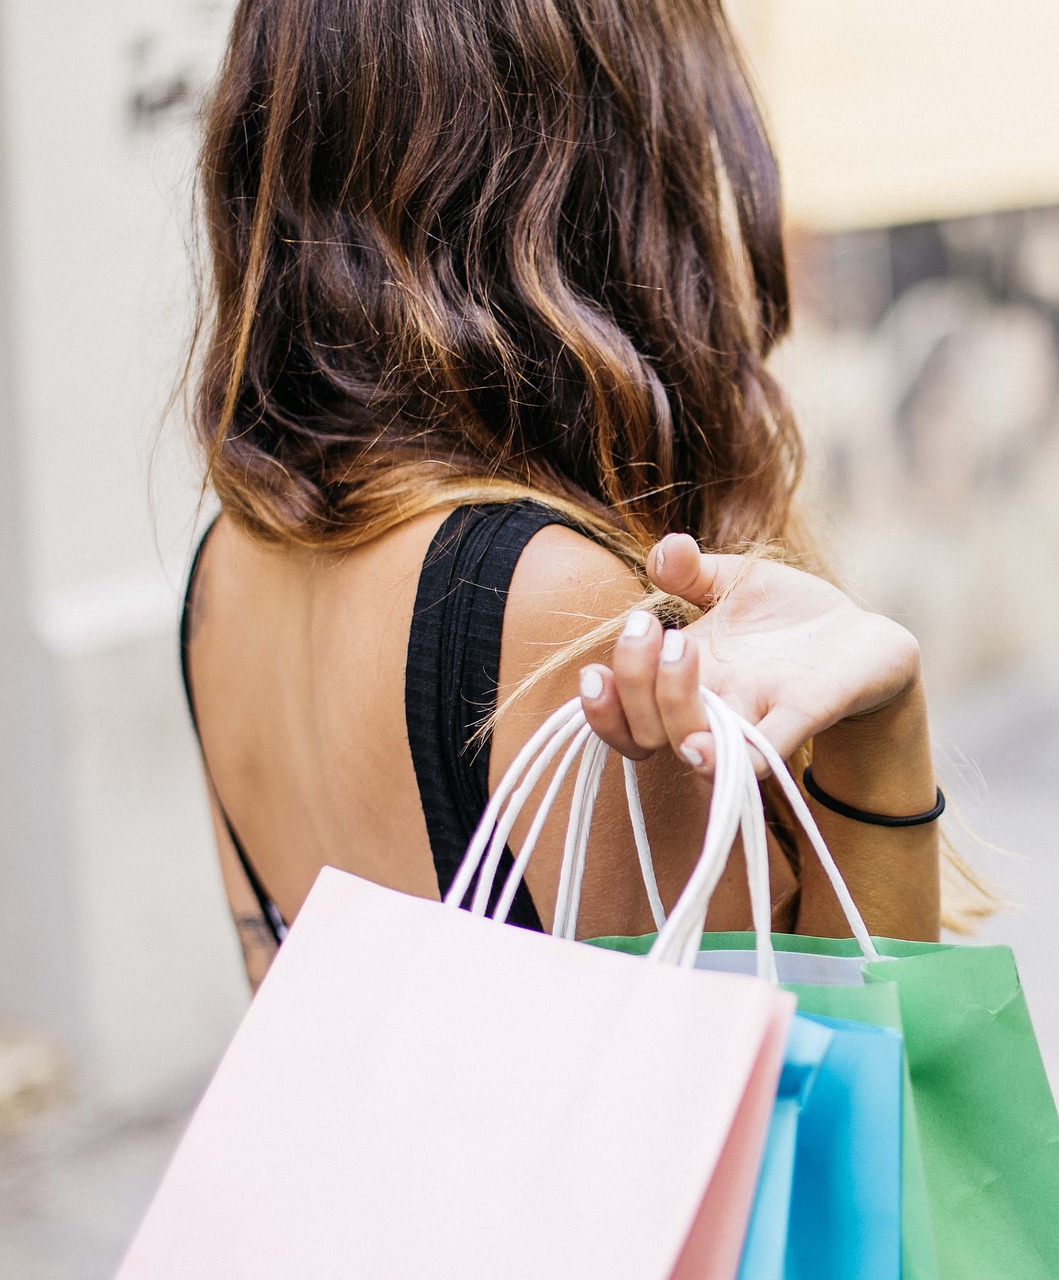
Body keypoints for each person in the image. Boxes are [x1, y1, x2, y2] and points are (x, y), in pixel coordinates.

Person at [178, 0, 954, 989]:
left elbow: (284, 1007)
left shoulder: (224, 569)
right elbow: (830, 1089)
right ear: (623, 166)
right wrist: (884, 732)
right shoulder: (554, 601)